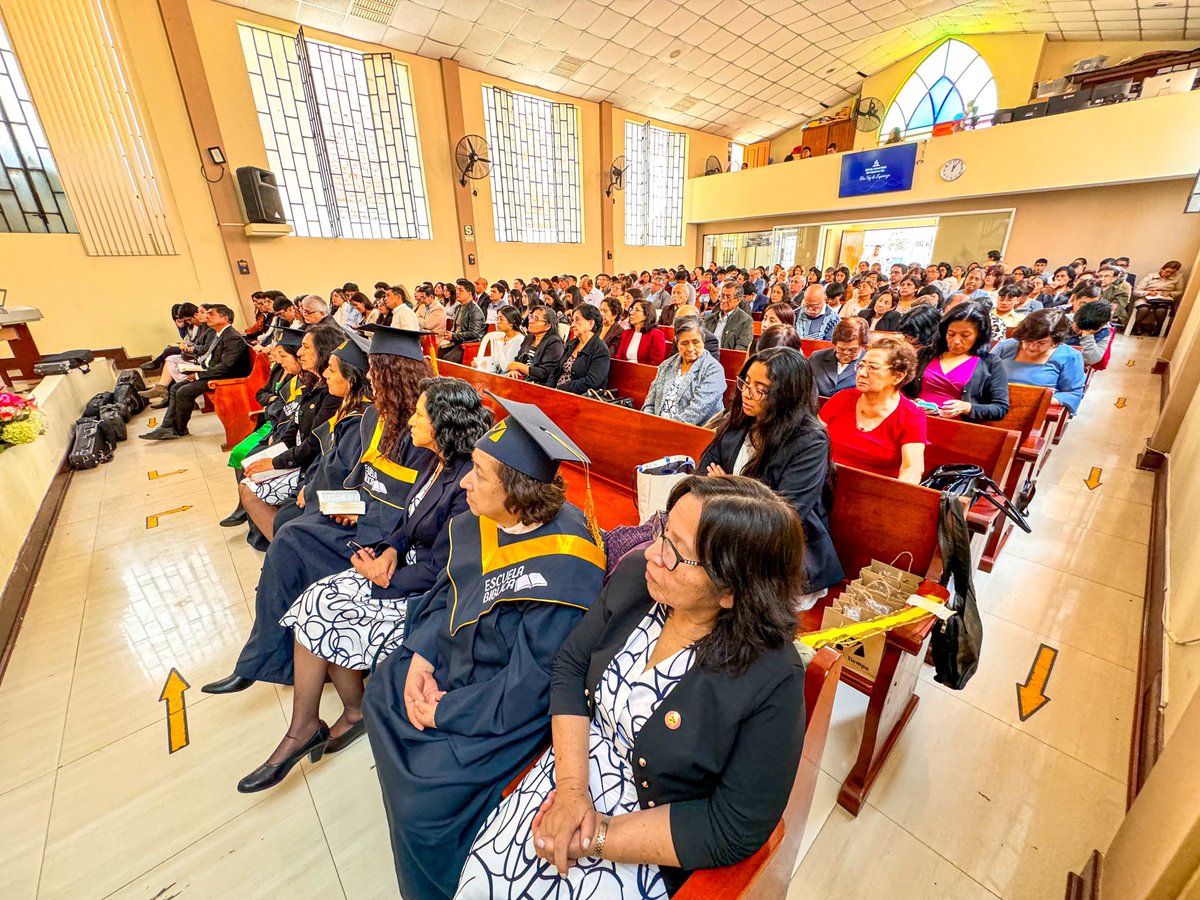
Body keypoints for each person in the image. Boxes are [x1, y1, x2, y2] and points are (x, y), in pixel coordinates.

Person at [457, 476, 808, 899]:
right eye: (662, 530)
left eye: (676, 552)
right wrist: (570, 791)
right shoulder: (638, 581)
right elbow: (571, 665)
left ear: (731, 591)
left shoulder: (772, 678)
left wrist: (595, 837)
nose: (653, 553)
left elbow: (732, 825)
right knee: (483, 879)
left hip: (649, 835)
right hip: (571, 770)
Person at [365, 397, 607, 900]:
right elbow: (447, 593)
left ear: (516, 492)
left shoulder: (567, 563)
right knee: (383, 691)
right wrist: (423, 657)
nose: (464, 483)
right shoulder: (483, 520)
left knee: (423, 808)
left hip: (497, 704)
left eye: (477, 473)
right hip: (450, 662)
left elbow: (530, 685)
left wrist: (444, 710)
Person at [237, 378, 493, 793]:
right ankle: (317, 721)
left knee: (332, 610)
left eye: (420, 415)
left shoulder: (465, 483)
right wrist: (389, 550)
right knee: (316, 599)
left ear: (443, 424)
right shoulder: (436, 462)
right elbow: (407, 523)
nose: (411, 420)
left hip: (428, 593)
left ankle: (324, 722)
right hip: (402, 568)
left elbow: (444, 566)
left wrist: (386, 574)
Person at [202, 326, 433, 695]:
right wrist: (347, 502)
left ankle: (268, 658)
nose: (370, 378)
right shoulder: (377, 417)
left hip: (389, 537)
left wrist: (361, 511)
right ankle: (270, 656)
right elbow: (359, 477)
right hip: (365, 517)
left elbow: (419, 502)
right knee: (293, 535)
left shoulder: (422, 429)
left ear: (394, 375)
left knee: (293, 538)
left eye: (376, 371)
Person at [701, 346, 842, 601]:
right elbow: (704, 471)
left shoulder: (809, 441)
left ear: (786, 395)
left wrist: (727, 487)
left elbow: (784, 513)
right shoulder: (738, 420)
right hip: (725, 533)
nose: (747, 393)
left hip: (777, 550)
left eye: (761, 389)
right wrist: (732, 493)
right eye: (746, 382)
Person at [239, 326, 345, 539]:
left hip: (311, 464)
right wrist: (274, 453)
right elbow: (294, 426)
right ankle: (274, 543)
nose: (299, 353)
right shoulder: (311, 382)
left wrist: (276, 462)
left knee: (252, 493)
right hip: (301, 457)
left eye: (306, 347)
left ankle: (280, 545)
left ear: (323, 350)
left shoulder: (333, 393)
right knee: (248, 472)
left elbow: (315, 443)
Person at [819, 336, 927, 483]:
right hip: (824, 481)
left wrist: (897, 492)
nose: (862, 373)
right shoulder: (843, 398)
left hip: (873, 490)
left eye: (873, 367)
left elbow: (912, 468)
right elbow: (811, 439)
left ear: (898, 376)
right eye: (861, 365)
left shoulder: (911, 416)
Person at [139, 304, 250, 441]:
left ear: (225, 318)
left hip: (227, 377)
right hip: (215, 372)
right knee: (175, 387)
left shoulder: (232, 337)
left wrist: (198, 374)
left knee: (184, 391)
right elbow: (210, 357)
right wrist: (198, 369)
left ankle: (178, 429)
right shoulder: (219, 334)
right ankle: (167, 427)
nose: (207, 316)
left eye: (211, 314)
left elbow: (225, 367)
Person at [911, 302, 1009, 422]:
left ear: (979, 335)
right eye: (951, 334)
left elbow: (1000, 408)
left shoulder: (991, 363)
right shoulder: (927, 353)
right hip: (916, 419)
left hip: (958, 427)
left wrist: (967, 407)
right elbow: (900, 388)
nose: (956, 341)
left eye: (965, 335)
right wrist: (912, 402)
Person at [993, 310, 1087, 415]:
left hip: (1035, 412)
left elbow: (1073, 394)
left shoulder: (1070, 357)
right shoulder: (1005, 347)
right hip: (994, 404)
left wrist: (1031, 400)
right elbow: (980, 372)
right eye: (1027, 340)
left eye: (1041, 343)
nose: (1032, 347)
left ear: (1055, 342)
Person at [642, 318, 726, 426]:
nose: (690, 348)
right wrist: (649, 421)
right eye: (684, 343)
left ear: (703, 342)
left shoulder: (714, 370)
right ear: (677, 345)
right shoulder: (666, 365)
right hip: (657, 426)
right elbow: (650, 402)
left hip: (694, 430)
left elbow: (696, 412)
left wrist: (665, 428)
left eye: (695, 342)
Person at [554, 303, 611, 394]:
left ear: (591, 323)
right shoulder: (572, 344)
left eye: (577, 320)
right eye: (572, 320)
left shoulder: (600, 350)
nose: (572, 325)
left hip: (578, 396)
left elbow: (591, 382)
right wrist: (548, 388)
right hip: (558, 392)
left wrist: (561, 389)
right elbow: (556, 370)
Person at [809, 316, 869, 396]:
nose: (846, 353)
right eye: (840, 349)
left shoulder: (870, 364)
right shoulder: (817, 357)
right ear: (834, 344)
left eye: (853, 350)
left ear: (863, 346)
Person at [508, 306, 566, 385]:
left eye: (535, 319)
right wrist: (514, 370)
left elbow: (544, 373)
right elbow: (518, 359)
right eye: (531, 317)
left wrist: (518, 366)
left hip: (540, 385)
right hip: (523, 381)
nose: (530, 321)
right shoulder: (528, 338)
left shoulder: (554, 343)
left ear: (547, 326)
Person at [441, 279, 485, 363]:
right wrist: (450, 335)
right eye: (456, 289)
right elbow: (455, 328)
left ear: (469, 294)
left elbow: (474, 334)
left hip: (469, 344)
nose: (457, 292)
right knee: (439, 351)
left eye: (460, 290)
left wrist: (454, 336)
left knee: (448, 359)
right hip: (458, 341)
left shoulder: (475, 310)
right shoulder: (458, 307)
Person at [475, 306, 525, 374]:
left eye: (501, 319)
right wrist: (480, 363)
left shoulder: (518, 339)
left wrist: (500, 345)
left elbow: (506, 367)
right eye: (497, 318)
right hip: (498, 373)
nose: (497, 322)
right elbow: (497, 363)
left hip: (508, 376)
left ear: (511, 323)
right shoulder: (503, 337)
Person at [616, 300, 667, 366]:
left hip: (644, 371)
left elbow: (656, 362)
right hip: (625, 369)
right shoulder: (627, 333)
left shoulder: (656, 335)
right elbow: (619, 358)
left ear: (646, 315)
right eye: (632, 309)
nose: (631, 313)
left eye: (637, 310)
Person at [1068, 299, 1115, 366]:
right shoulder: (1064, 320)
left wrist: (1087, 336)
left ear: (1101, 326)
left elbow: (1091, 360)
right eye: (1078, 328)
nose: (1080, 332)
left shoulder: (1104, 333)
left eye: (1086, 330)